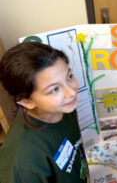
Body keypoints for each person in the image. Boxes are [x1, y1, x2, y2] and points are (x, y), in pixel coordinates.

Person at [0, 42, 88, 183]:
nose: (71, 92)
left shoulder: (65, 109)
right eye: (54, 89)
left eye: (69, 76)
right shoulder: (23, 164)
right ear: (26, 101)